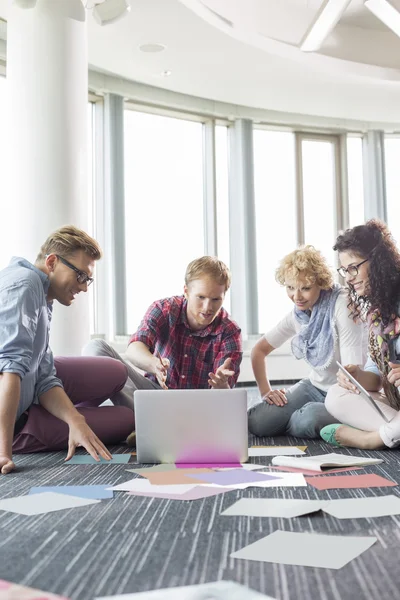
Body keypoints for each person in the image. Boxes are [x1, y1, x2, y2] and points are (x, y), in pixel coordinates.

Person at [0, 225, 134, 475]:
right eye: (80, 276)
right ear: (52, 262)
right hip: (18, 422)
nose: (84, 287)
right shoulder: (24, 285)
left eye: (88, 279)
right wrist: (3, 453)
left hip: (29, 393)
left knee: (116, 371)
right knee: (126, 419)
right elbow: (10, 369)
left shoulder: (42, 292)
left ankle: (72, 416)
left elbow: (43, 376)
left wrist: (76, 419)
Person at [83, 256, 242, 443]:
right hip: (154, 397)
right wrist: (153, 364)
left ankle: (150, 427)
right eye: (201, 297)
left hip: (198, 409)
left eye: (216, 299)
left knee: (223, 413)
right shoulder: (164, 309)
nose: (208, 307)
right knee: (96, 348)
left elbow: (225, 400)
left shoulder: (230, 330)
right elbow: (134, 348)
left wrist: (222, 386)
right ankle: (157, 426)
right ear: (186, 291)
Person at [248, 245, 366, 439]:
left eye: (305, 288)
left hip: (345, 394)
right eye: (290, 287)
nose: (297, 296)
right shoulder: (299, 314)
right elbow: (258, 351)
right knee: (257, 421)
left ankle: (299, 419)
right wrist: (266, 392)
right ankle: (296, 418)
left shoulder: (343, 305)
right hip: (313, 386)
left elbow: (353, 374)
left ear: (321, 283)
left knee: (306, 420)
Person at [321, 220, 400, 450]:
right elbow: (377, 378)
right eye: (345, 270)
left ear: (377, 262)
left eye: (353, 267)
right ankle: (393, 432)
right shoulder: (377, 309)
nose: (348, 277)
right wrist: (357, 376)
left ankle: (371, 439)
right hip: (395, 401)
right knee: (336, 395)